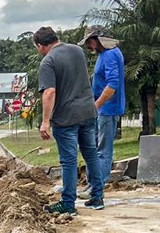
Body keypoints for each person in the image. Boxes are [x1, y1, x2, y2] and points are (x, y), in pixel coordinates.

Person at [35, 25, 104, 215]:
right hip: (88, 112)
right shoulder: (77, 51)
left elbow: (49, 92)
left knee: (69, 161)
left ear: (41, 46)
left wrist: (45, 121)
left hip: (66, 118)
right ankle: (97, 197)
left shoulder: (48, 61)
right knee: (91, 154)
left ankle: (68, 204)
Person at [81, 28, 125, 186]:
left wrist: (96, 105)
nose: (88, 47)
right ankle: (92, 184)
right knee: (93, 148)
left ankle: (97, 186)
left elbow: (112, 85)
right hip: (101, 110)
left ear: (97, 39)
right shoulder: (103, 55)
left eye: (89, 43)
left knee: (102, 149)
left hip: (107, 110)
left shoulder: (111, 54)